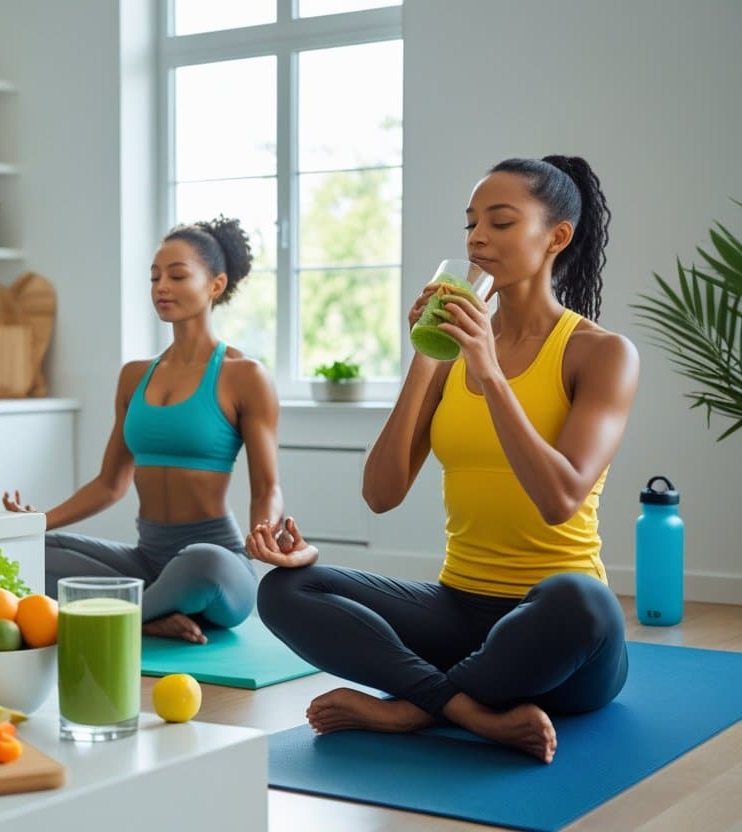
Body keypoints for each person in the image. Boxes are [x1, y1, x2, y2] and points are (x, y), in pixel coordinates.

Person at [251, 155, 639, 763]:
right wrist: (428, 359)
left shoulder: (602, 354)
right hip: (458, 614)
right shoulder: (451, 353)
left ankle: (407, 709)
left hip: (560, 642)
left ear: (556, 237)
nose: (478, 237)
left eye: (501, 222)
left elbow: (560, 499)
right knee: (285, 590)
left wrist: (488, 370)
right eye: (471, 223)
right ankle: (466, 710)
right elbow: (381, 493)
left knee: (580, 601)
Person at [4, 217, 286, 644]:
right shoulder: (135, 376)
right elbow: (109, 484)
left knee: (202, 562)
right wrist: (38, 522)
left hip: (215, 568)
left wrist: (263, 531)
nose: (161, 287)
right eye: (155, 277)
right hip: (146, 560)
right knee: (34, 553)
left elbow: (267, 487)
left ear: (215, 285)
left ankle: (119, 615)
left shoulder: (244, 375)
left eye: (177, 275)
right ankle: (151, 615)